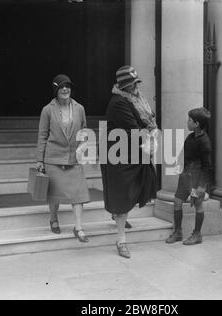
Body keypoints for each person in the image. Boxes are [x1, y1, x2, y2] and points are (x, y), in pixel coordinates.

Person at [100, 65, 157, 259]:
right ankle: (121, 239)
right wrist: (149, 136)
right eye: (132, 84)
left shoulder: (133, 99)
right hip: (119, 157)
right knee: (123, 195)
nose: (135, 87)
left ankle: (119, 215)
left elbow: (144, 122)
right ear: (124, 86)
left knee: (133, 190)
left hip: (130, 154)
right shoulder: (119, 103)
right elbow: (134, 129)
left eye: (135, 83)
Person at [36, 74, 90, 242]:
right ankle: (53, 218)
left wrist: (84, 146)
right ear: (56, 90)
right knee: (54, 194)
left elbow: (84, 130)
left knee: (78, 193)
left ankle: (79, 227)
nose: (65, 89)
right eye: (61, 86)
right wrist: (40, 160)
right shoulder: (47, 110)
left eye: (68, 86)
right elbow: (42, 135)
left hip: (74, 158)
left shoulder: (79, 108)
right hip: (53, 158)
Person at [165, 108, 213, 245]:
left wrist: (201, 187)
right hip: (186, 175)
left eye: (190, 120)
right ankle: (178, 232)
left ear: (197, 124)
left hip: (197, 178)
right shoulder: (191, 137)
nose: (187, 122)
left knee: (198, 204)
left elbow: (207, 166)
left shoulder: (205, 142)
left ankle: (197, 235)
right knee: (177, 201)